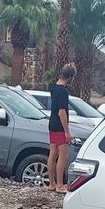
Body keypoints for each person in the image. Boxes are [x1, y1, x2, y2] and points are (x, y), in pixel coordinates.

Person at [47, 63, 76, 192]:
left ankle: (51, 183)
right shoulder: (63, 92)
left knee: (52, 153)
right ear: (70, 77)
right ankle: (59, 185)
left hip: (52, 124)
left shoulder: (53, 88)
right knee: (63, 155)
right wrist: (67, 132)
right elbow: (62, 112)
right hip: (59, 126)